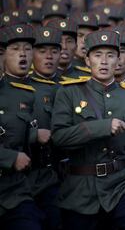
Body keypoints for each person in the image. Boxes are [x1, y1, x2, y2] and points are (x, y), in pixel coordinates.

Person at [51, 30, 125, 229]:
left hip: (121, 185)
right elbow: (59, 137)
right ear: (87, 60)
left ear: (119, 60)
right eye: (98, 55)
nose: (104, 62)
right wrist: (103, 127)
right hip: (81, 189)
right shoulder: (68, 93)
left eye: (110, 55)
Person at [0, 24, 44, 229]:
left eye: (26, 49)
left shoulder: (20, 94)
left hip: (14, 191)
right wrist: (10, 158)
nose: (22, 55)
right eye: (15, 49)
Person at [29, 26, 63, 230]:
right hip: (29, 174)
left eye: (54, 51)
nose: (49, 57)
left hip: (61, 175)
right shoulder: (22, 88)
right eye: (42, 51)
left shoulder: (70, 88)